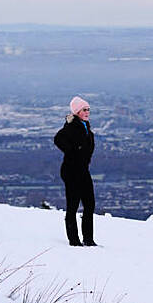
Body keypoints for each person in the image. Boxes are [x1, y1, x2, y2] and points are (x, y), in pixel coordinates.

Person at [53, 96, 97, 247]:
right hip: (71, 171)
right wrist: (72, 151)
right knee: (73, 205)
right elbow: (58, 138)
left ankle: (88, 239)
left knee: (89, 204)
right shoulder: (72, 127)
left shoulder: (86, 127)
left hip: (83, 171)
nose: (87, 112)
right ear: (77, 111)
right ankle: (74, 240)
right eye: (84, 110)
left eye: (88, 109)